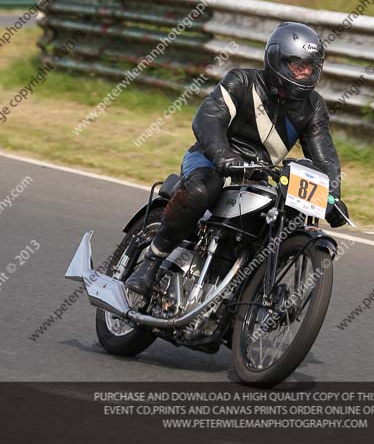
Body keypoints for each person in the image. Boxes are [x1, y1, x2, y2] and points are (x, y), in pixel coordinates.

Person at [125, 22, 349, 296]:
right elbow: (208, 118)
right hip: (210, 159)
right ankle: (151, 261)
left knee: (284, 217)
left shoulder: (313, 108)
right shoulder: (242, 82)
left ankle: (242, 292)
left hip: (259, 175)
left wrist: (333, 198)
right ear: (277, 60)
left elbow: (325, 157)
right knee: (201, 188)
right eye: (297, 65)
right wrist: (222, 155)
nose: (305, 73)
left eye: (311, 67)